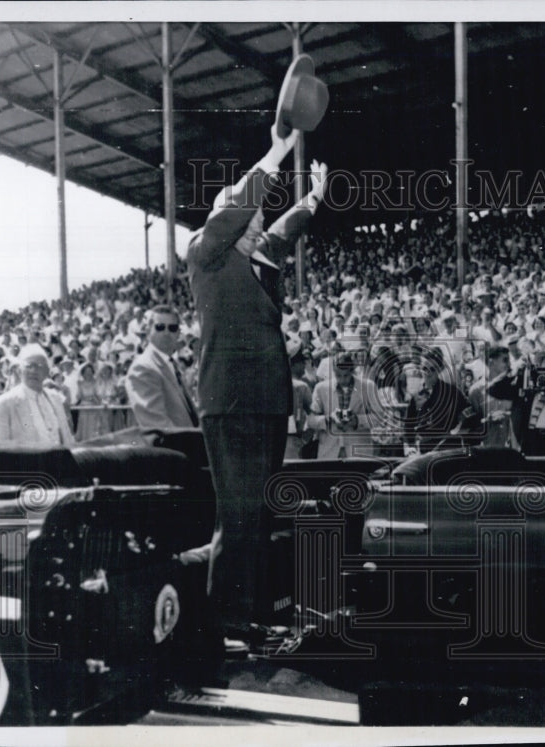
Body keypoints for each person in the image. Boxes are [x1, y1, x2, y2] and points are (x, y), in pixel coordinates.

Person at [186, 114, 328, 649]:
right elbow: (238, 213)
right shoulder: (206, 253)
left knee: (260, 514)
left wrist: (312, 199)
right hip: (232, 405)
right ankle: (225, 624)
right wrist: (274, 157)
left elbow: (283, 230)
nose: (256, 226)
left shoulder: (256, 260)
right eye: (248, 220)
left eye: (258, 221)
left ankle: (250, 618)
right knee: (239, 515)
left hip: (266, 404)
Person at [125, 305, 199, 430]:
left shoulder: (170, 363)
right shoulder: (143, 368)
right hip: (174, 442)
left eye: (172, 328)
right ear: (148, 331)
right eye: (160, 327)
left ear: (178, 333)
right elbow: (158, 426)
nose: (166, 333)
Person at [0, 344, 75, 445]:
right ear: (19, 370)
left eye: (39, 366)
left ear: (47, 371)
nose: (34, 371)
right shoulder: (4, 403)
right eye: (28, 366)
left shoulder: (56, 399)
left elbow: (67, 438)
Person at [308, 352, 377, 458]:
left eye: (346, 375)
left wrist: (357, 420)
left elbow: (379, 418)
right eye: (338, 375)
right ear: (333, 371)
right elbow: (311, 421)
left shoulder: (368, 387)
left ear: (352, 371)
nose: (342, 379)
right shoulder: (321, 388)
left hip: (359, 451)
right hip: (329, 451)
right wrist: (328, 419)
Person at [403, 346, 468, 454]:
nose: (428, 373)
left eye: (432, 369)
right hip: (423, 452)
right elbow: (408, 426)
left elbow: (468, 417)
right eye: (424, 368)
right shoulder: (415, 395)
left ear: (439, 370)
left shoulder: (452, 393)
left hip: (446, 450)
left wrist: (455, 433)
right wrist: (409, 447)